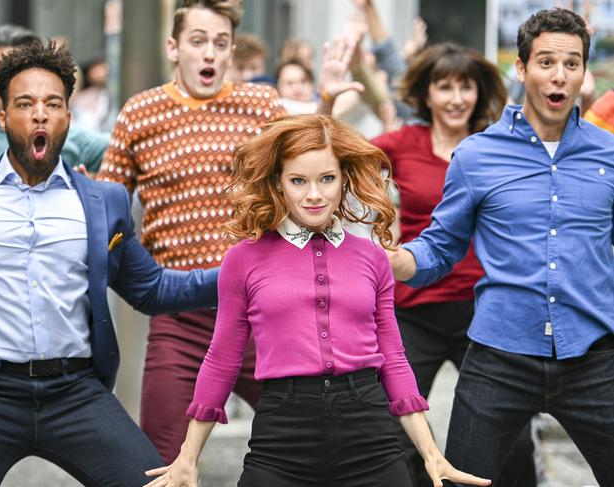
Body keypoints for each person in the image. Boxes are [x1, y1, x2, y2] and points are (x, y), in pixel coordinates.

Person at [144, 114, 491, 487]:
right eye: (298, 181)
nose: (314, 194)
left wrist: (430, 453)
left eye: (327, 178)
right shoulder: (242, 260)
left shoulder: (373, 257)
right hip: (282, 434)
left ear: (344, 179)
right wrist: (188, 456)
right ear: (278, 183)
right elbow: (222, 358)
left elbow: (392, 356)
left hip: (369, 432)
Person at [98, 0, 362, 464]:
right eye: (198, 42)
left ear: (231, 50)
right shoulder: (140, 113)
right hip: (179, 316)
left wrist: (325, 103)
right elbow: (108, 207)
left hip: (262, 311)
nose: (209, 55)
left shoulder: (260, 104)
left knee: (319, 440)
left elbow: (308, 165)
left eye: (220, 44)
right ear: (173, 47)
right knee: (162, 461)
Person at [0, 40, 220, 486]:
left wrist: (242, 271)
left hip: (74, 391)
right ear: (3, 117)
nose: (39, 114)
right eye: (25, 104)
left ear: (68, 116)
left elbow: (151, 289)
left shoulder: (103, 201)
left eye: (53, 103)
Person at [387, 8, 614, 486]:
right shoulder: (477, 155)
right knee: (464, 480)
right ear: (522, 68)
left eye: (572, 64)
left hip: (595, 357)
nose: (559, 75)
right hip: (498, 358)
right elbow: (440, 248)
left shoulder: (607, 154)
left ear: (583, 72)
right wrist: (397, 260)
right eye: (546, 62)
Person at [371, 43, 538, 487]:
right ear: (426, 95)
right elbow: (329, 159)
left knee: (514, 441)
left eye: (466, 87)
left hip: (483, 311)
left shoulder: (499, 144)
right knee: (396, 434)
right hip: (412, 309)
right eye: (444, 87)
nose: (456, 98)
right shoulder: (401, 144)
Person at [0, 24, 109, 172]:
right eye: (3, 76)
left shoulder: (63, 135)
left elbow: (126, 146)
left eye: (26, 74)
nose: (18, 85)